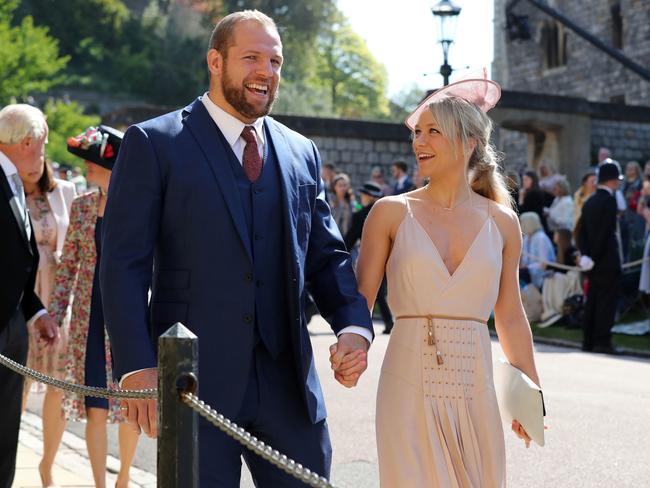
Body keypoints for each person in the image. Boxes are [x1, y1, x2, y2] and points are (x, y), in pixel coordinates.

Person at [100, 10, 373, 486]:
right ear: (215, 61)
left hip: (289, 384)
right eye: (251, 58)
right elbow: (123, 265)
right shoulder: (154, 143)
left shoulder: (300, 151)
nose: (266, 71)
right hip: (192, 381)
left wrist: (353, 326)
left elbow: (325, 256)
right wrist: (137, 367)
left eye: (275, 60)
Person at [355, 71, 540, 486]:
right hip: (405, 383)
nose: (419, 142)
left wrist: (532, 395)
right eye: (417, 132)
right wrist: (351, 347)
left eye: (433, 131)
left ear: (469, 142)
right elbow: (359, 302)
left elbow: (510, 316)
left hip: (476, 387)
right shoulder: (389, 212)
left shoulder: (503, 222)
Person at [48, 126, 139, 488]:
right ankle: (101, 484)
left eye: (93, 163)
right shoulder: (82, 206)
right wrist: (54, 318)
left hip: (130, 317)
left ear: (113, 167)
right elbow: (69, 266)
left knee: (132, 406)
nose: (86, 169)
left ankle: (126, 478)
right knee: (95, 409)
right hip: (90, 319)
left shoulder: (138, 208)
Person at [0, 104, 59, 488]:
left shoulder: (14, 181)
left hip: (13, 326)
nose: (42, 155)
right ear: (26, 142)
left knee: (5, 436)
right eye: (41, 147)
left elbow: (17, 261)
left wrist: (36, 313)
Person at [20, 157, 76, 486]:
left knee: (59, 385)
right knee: (19, 384)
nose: (34, 161)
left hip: (57, 300)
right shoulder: (9, 192)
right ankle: (10, 453)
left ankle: (48, 464)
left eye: (40, 153)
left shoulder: (65, 192)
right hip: (22, 300)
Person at [578, 161, 623, 354]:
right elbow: (605, 232)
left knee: (593, 300)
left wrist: (585, 255)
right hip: (606, 260)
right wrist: (594, 256)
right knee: (606, 303)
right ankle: (602, 341)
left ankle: (588, 340)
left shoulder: (590, 201)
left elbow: (582, 233)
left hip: (593, 261)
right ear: (612, 181)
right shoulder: (609, 200)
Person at [344, 182, 393, 334]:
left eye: (364, 195)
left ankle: (362, 324)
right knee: (379, 293)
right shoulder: (389, 212)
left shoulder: (361, 215)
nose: (362, 198)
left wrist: (341, 253)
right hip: (390, 257)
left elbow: (349, 239)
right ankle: (387, 321)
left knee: (368, 292)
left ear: (369, 197)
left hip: (370, 258)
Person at [519, 212, 556, 290]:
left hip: (542, 275)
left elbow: (544, 263)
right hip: (529, 273)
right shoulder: (527, 238)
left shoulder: (541, 238)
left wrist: (527, 267)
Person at [518, 169, 549, 234]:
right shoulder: (530, 192)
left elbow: (522, 211)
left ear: (533, 180)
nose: (524, 182)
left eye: (526, 179)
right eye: (523, 180)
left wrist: (521, 198)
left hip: (533, 226)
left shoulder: (533, 193)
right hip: (532, 224)